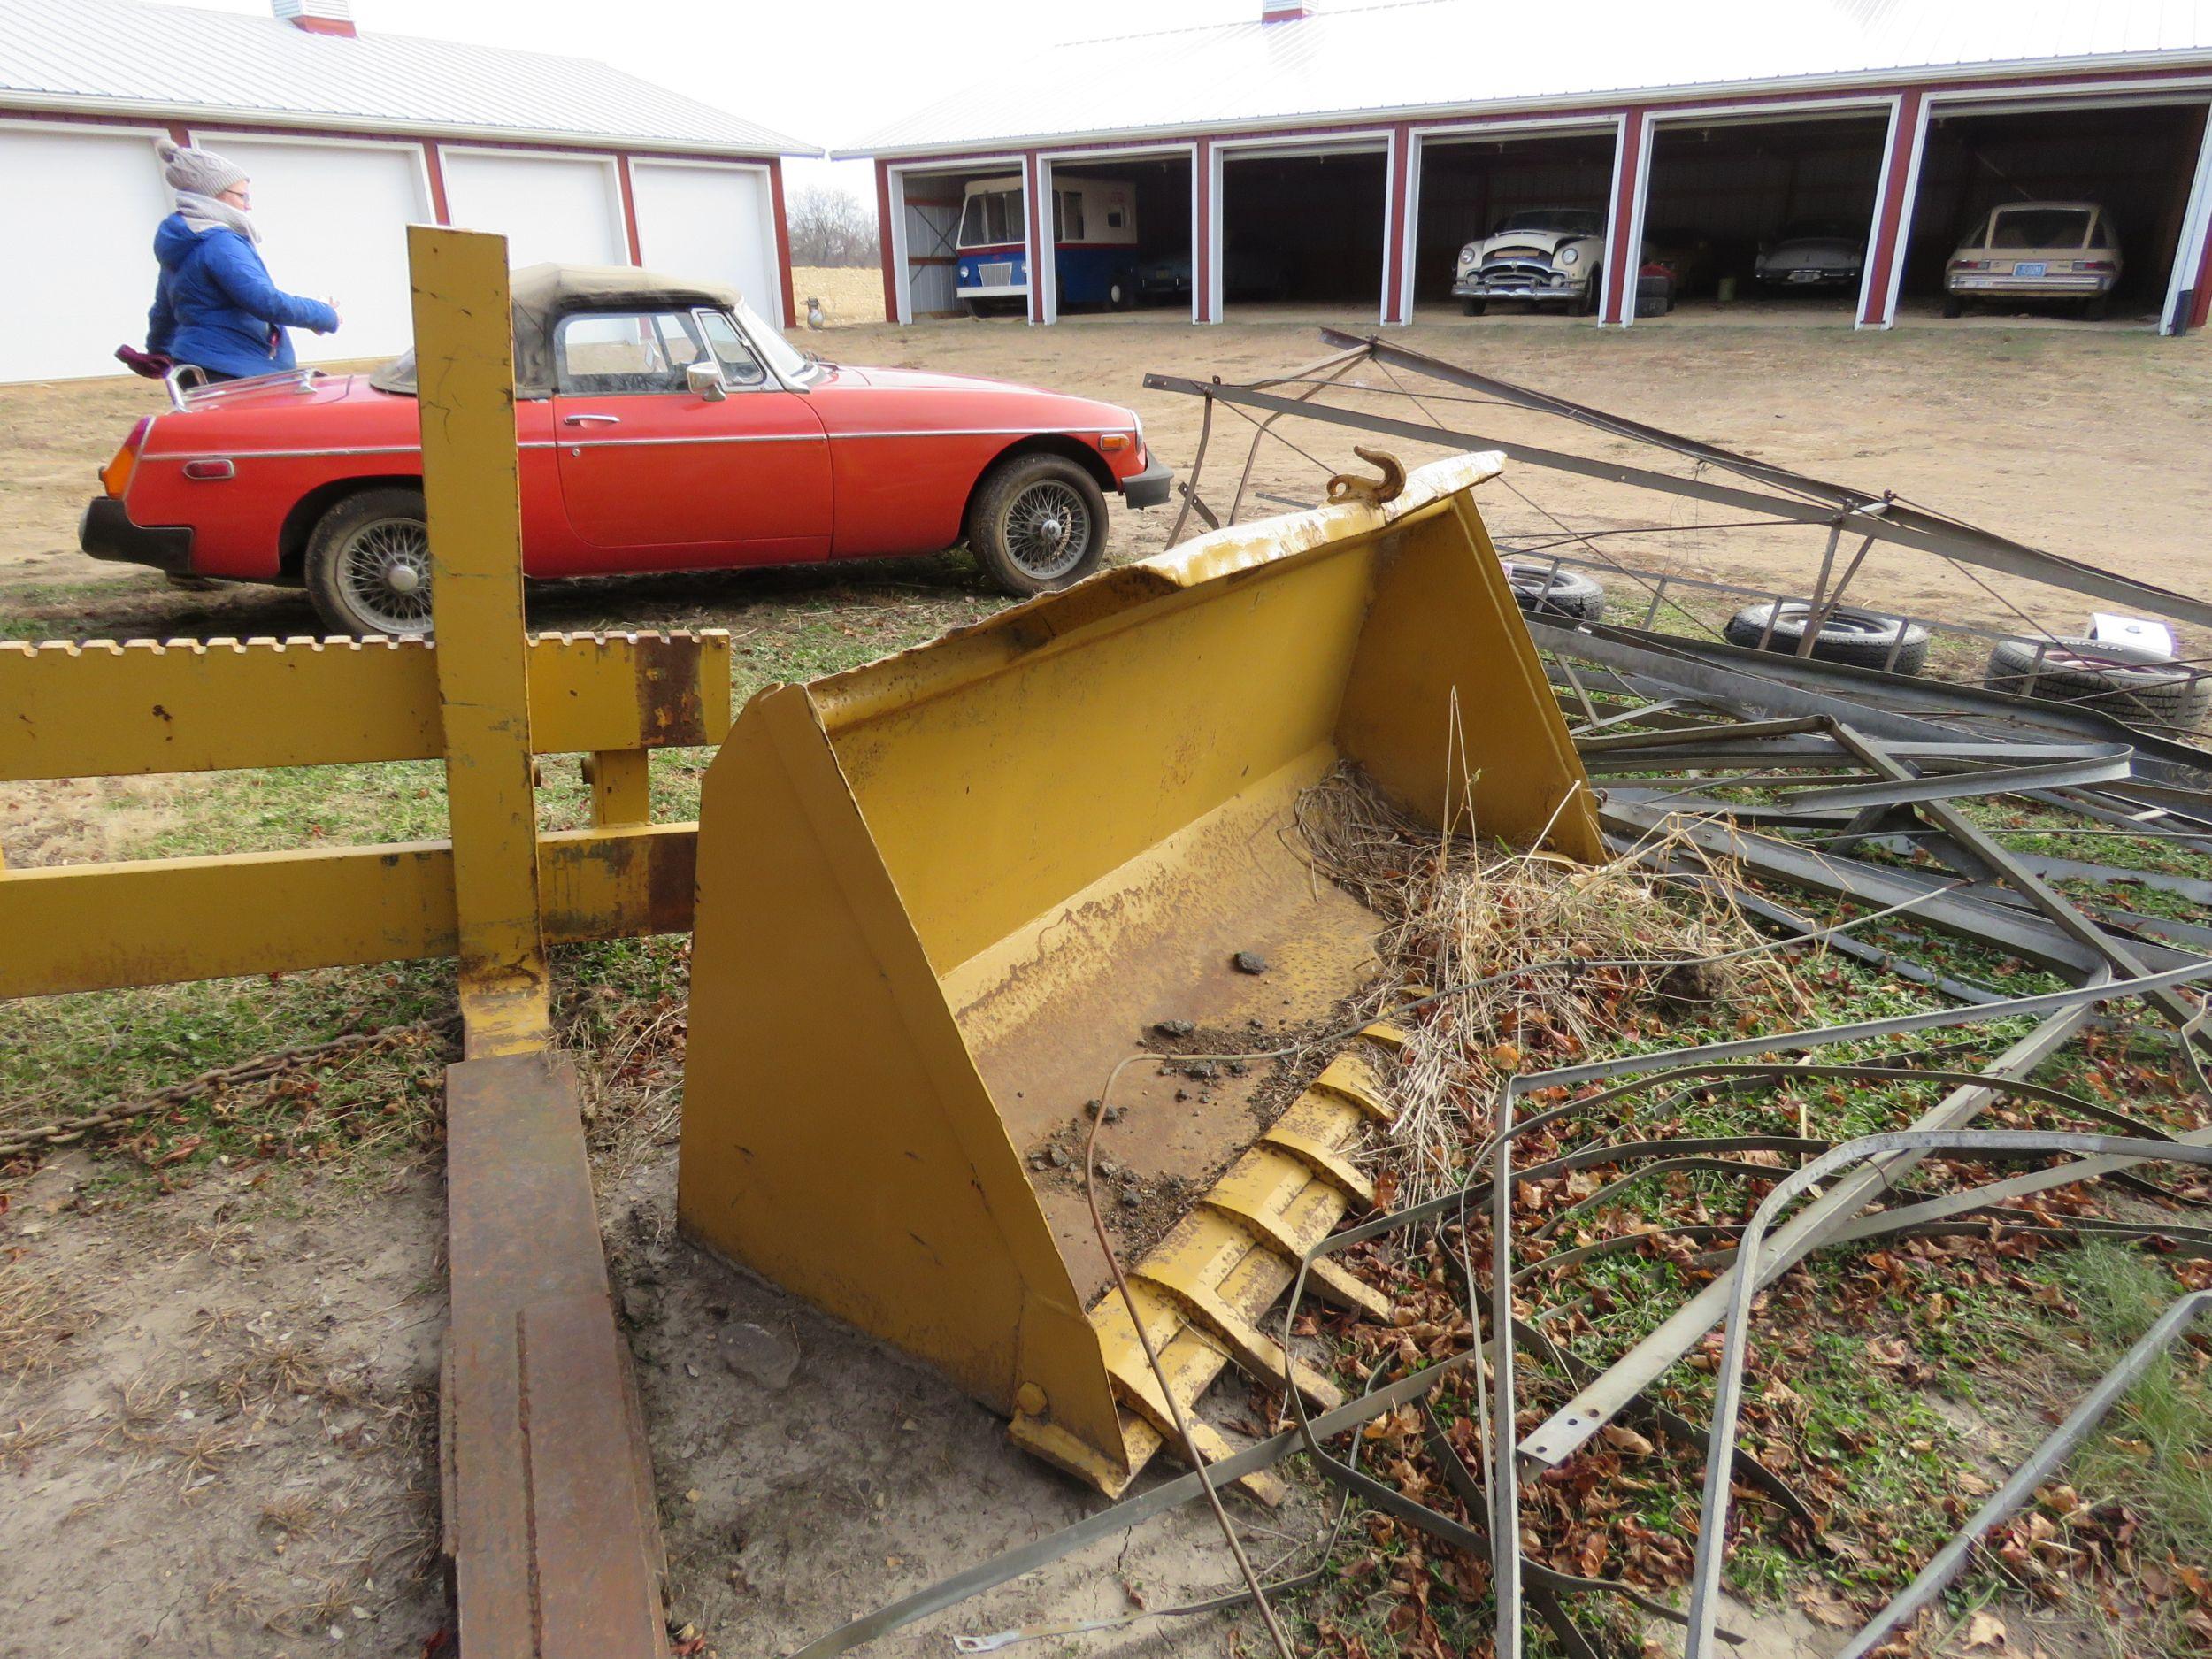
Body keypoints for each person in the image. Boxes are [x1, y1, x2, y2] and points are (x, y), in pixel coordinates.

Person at [145, 139, 339, 382]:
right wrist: (325, 314)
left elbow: (164, 308)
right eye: (242, 196)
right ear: (213, 195)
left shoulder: (186, 240)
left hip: (195, 364)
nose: (248, 205)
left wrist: (158, 351)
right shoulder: (220, 242)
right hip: (234, 369)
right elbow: (264, 302)